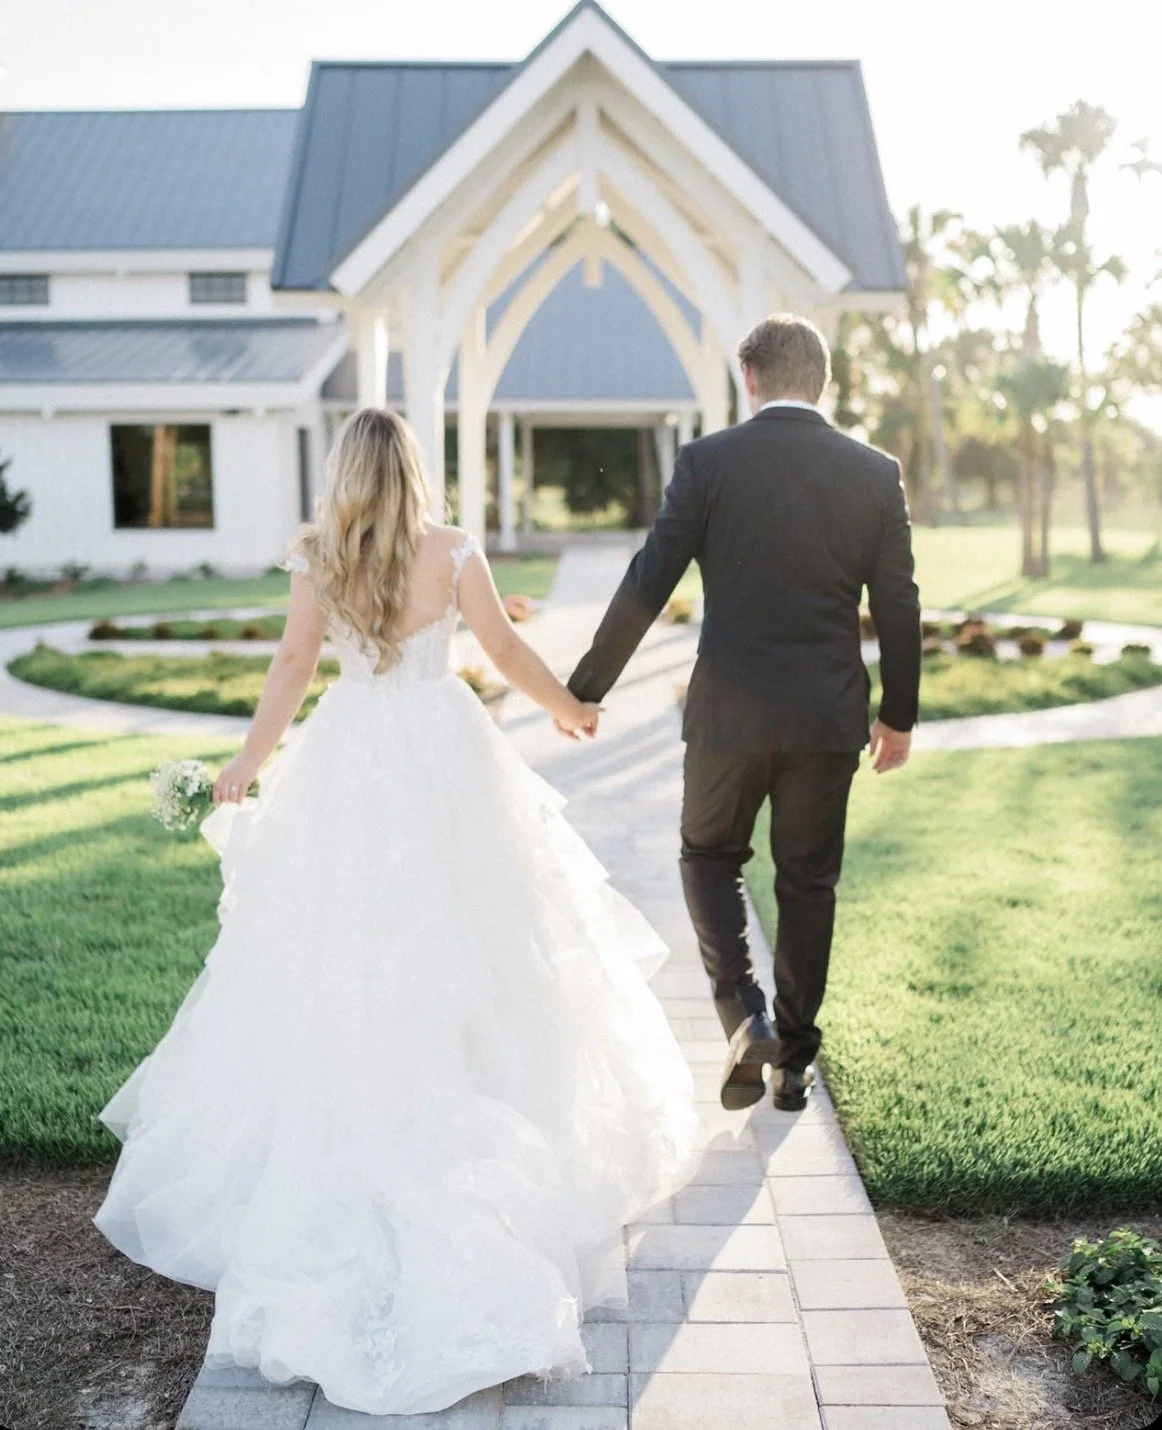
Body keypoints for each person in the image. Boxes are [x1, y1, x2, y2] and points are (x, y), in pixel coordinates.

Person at [93, 408, 700, 1417]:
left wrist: (250, 760)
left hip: (350, 752)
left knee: (343, 949)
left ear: (342, 472)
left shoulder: (318, 554)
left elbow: (293, 667)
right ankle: (476, 1101)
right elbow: (500, 649)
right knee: (479, 935)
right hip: (443, 752)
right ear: (414, 469)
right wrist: (566, 704)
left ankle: (369, 1100)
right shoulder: (450, 548)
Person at [568, 314, 922, 1114]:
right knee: (807, 884)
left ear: (750, 379)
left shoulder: (709, 462)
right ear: (820, 381)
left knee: (707, 856)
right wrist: (898, 715)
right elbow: (899, 602)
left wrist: (589, 686)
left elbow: (648, 579)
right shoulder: (874, 472)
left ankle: (744, 1015)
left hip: (728, 713)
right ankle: (793, 1060)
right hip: (827, 718)